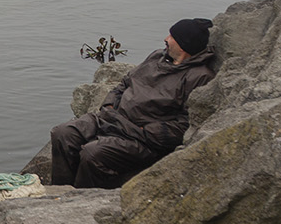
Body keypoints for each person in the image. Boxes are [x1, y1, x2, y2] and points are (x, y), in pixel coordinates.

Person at [44, 18, 216, 189]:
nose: (166, 39)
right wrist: (109, 105)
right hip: (112, 118)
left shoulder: (199, 77)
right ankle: (60, 193)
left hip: (141, 140)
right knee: (63, 134)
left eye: (172, 36)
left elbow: (186, 124)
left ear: (184, 45)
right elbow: (124, 83)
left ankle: (81, 202)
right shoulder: (157, 56)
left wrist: (143, 131)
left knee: (92, 153)